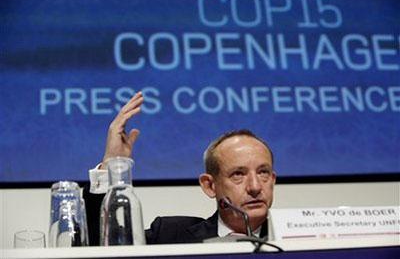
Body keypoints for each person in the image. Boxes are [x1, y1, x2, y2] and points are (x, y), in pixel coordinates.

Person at [83, 91, 276, 245]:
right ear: (209, 185)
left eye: (263, 173)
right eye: (238, 174)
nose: (255, 187)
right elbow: (98, 246)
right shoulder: (170, 234)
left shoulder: (299, 235)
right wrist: (112, 164)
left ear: (273, 180)